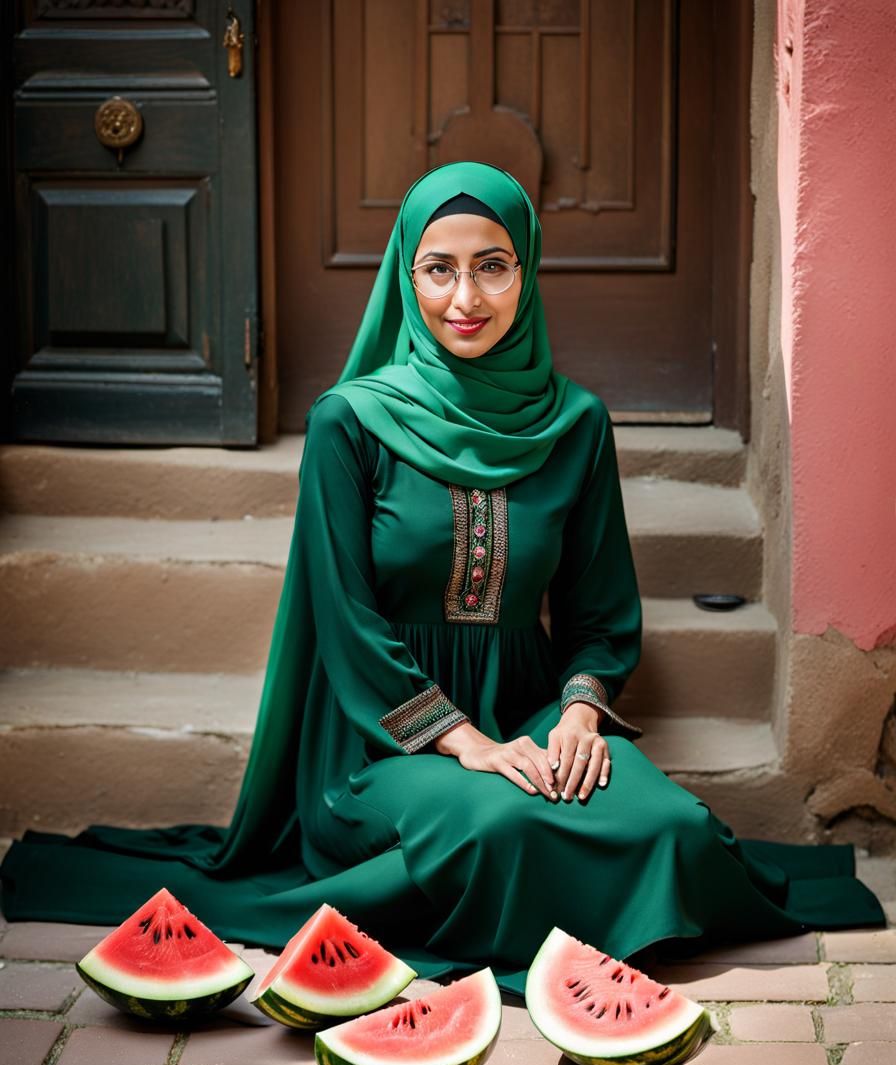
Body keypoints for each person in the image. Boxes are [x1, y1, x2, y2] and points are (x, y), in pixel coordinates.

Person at [1, 162, 884, 995]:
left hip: (530, 715)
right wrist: (465, 742)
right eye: (439, 270)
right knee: (496, 824)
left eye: (493, 267)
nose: (466, 299)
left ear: (526, 271)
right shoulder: (349, 424)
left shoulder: (577, 425)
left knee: (676, 826)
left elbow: (599, 614)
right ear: (406, 277)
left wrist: (579, 714)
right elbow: (345, 624)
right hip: (381, 742)